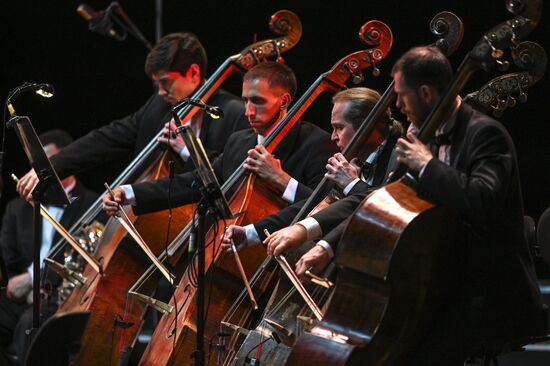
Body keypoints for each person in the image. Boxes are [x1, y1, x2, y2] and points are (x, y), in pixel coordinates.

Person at [389, 46, 543, 364]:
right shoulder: (427, 136)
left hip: (487, 290)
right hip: (443, 281)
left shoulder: (485, 134)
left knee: (418, 353)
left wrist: (427, 166)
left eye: (402, 95)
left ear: (427, 94)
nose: (397, 104)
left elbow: (482, 200)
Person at [16, 32, 249, 201]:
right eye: (156, 84)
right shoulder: (158, 106)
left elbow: (229, 174)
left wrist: (187, 150)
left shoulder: (234, 112)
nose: (160, 92)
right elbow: (107, 139)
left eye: (166, 82)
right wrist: (50, 167)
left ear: (194, 73)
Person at [102, 62, 338, 221]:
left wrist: (282, 181)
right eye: (245, 101)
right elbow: (196, 183)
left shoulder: (317, 144)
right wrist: (129, 192)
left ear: (284, 100)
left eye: (258, 101)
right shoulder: (239, 141)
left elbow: (329, 208)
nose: (248, 112)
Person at [221, 87, 402, 264]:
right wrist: (249, 233)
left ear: (367, 126)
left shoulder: (398, 162)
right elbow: (314, 207)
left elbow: (384, 215)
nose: (333, 137)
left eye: (339, 127)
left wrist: (351, 184)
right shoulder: (352, 163)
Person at [0, 130, 97, 365]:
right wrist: (25, 284)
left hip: (61, 295)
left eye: (49, 161)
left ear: (68, 160)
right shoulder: (17, 208)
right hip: (23, 293)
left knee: (29, 325)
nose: (40, 170)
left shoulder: (93, 205)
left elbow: (87, 257)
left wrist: (38, 282)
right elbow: (10, 259)